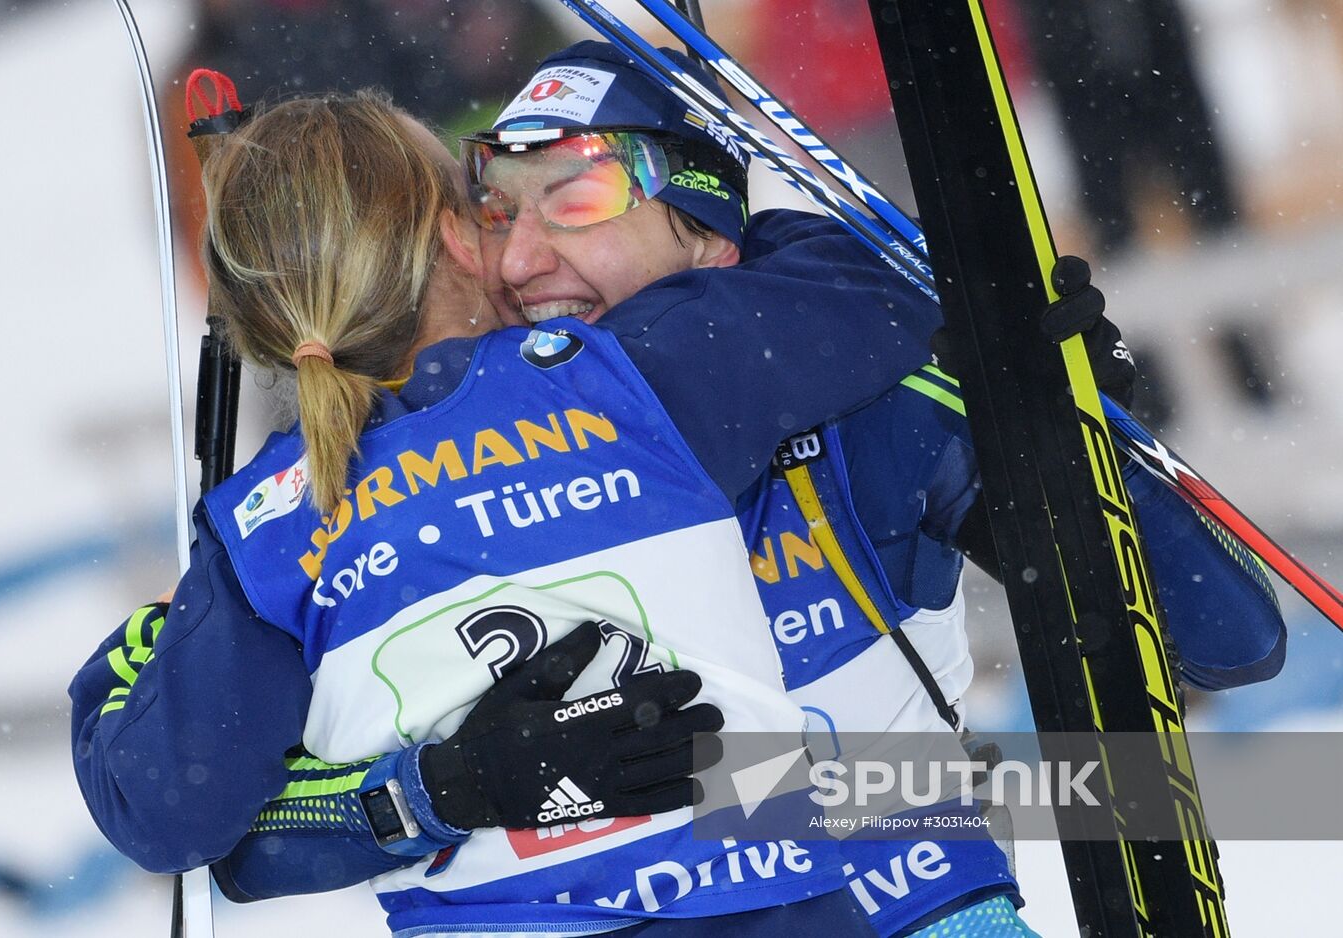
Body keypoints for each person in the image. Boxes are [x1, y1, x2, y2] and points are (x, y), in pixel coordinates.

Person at [201, 42, 1285, 938]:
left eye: (574, 196)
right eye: (493, 208)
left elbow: (1223, 637)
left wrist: (1068, 428)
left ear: (710, 230)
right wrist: (443, 784)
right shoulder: (437, 474)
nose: (518, 258)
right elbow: (234, 823)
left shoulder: (864, 395)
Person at [69, 82, 952, 936]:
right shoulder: (620, 376)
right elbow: (875, 284)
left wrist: (135, 657)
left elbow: (168, 812)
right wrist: (717, 226)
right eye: (487, 206)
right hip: (767, 909)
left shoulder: (266, 528)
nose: (519, 253)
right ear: (456, 239)